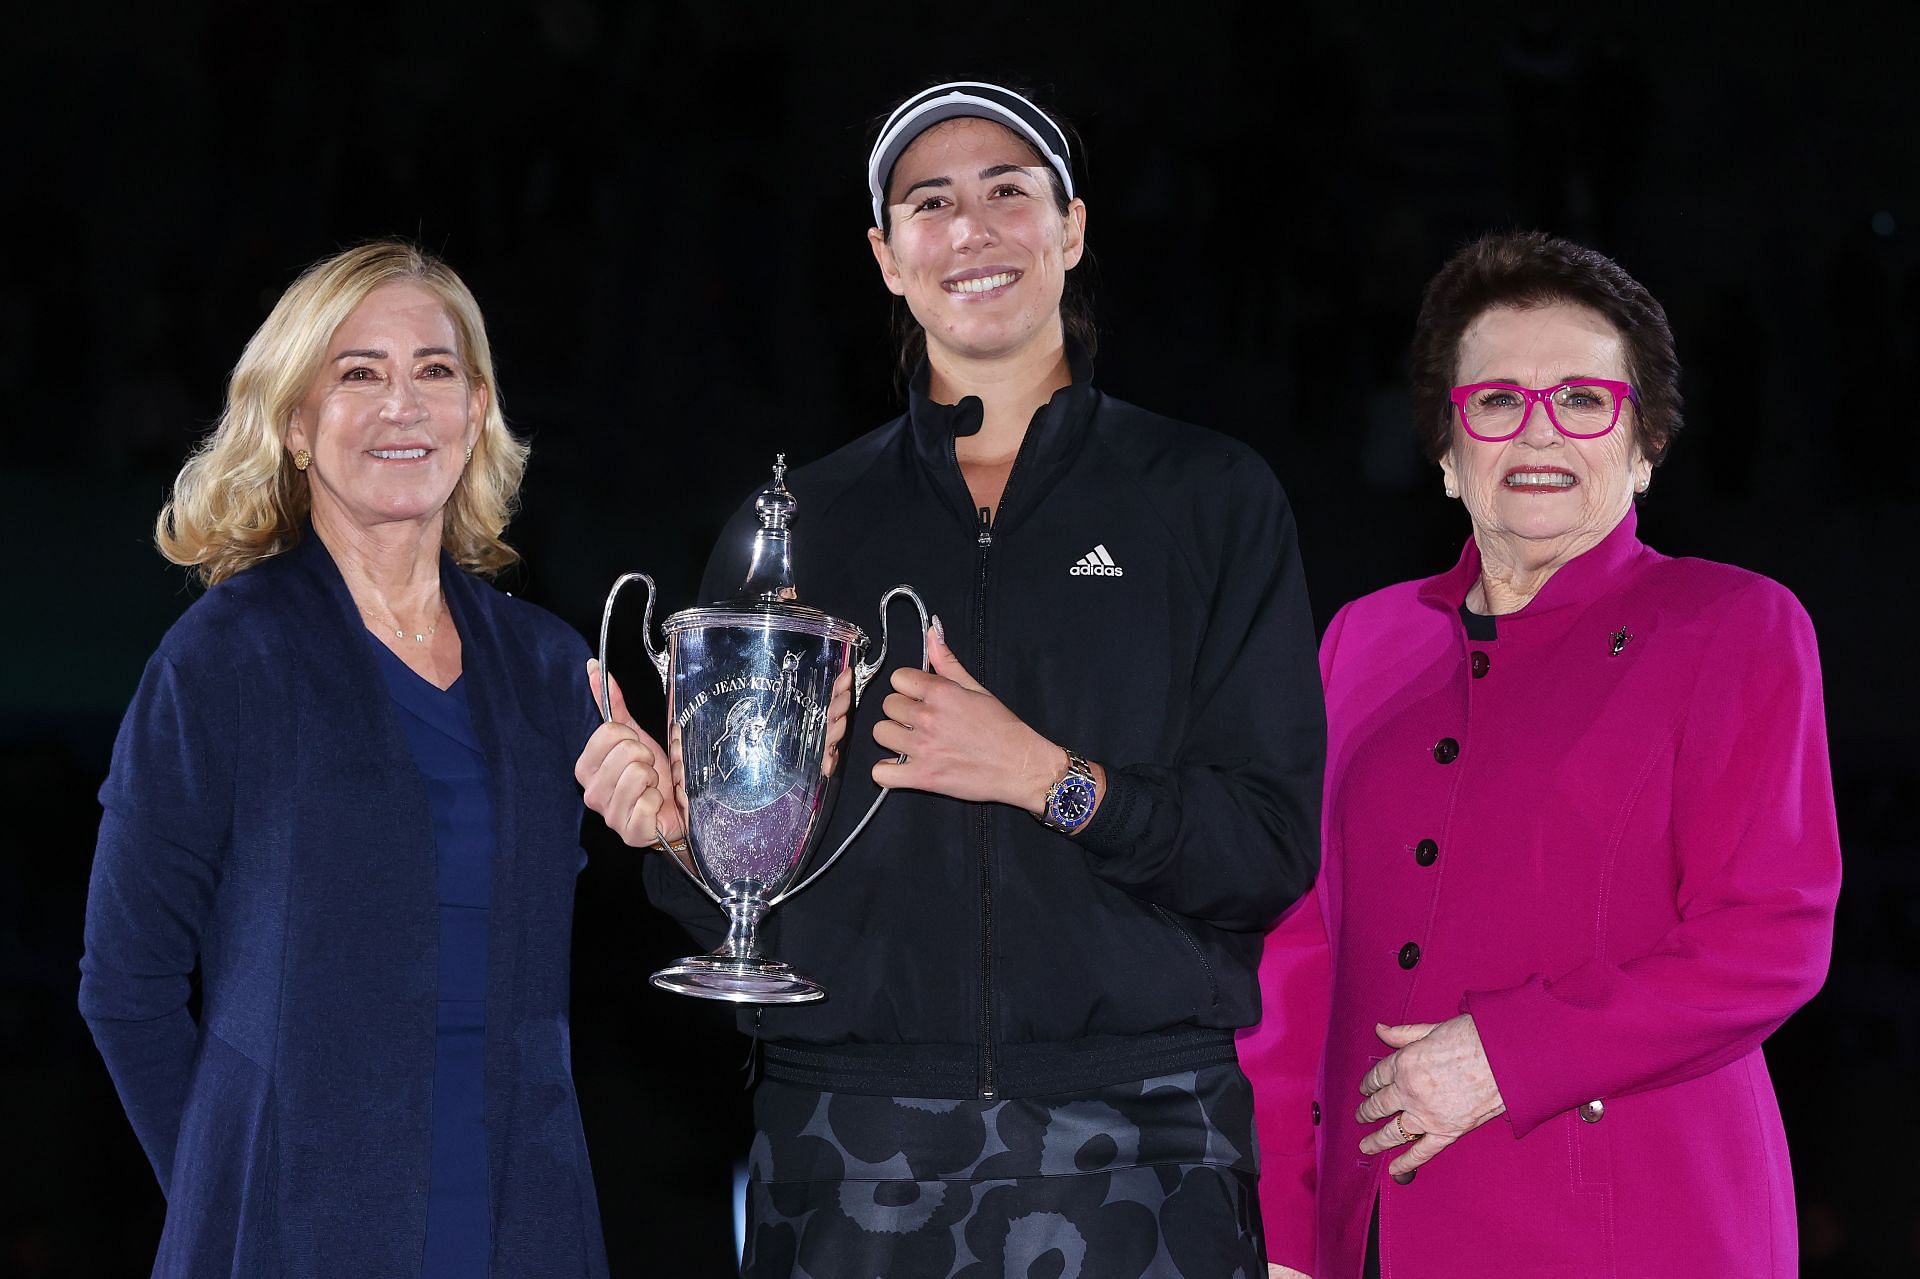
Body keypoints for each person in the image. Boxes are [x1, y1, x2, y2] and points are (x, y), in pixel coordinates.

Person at [577, 81, 1325, 1277]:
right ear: (886, 256)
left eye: (1007, 192)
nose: (971, 230)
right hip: (848, 1148)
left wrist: (1049, 778)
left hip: (1141, 1138)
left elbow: (1270, 847)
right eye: (931, 202)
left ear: (1070, 230)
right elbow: (740, 904)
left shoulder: (1208, 498)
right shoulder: (796, 528)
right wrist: (678, 838)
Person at [1251, 230, 1840, 1277]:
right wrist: (1287, 1228)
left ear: (1645, 443)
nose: (1538, 431)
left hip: (1646, 1223)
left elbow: (1769, 937)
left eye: (1581, 399)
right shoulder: (1363, 639)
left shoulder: (1734, 624)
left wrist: (1503, 1055)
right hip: (1378, 1233)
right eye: (1496, 401)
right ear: (1446, 449)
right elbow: (1301, 955)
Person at [79, 241, 620, 1275]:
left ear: (476, 409)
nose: (403, 404)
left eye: (435, 370)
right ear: (293, 421)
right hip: (297, 1232)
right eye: (358, 372)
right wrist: (228, 1199)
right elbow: (126, 984)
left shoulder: (550, 664)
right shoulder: (223, 657)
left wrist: (674, 827)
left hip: (523, 1222)